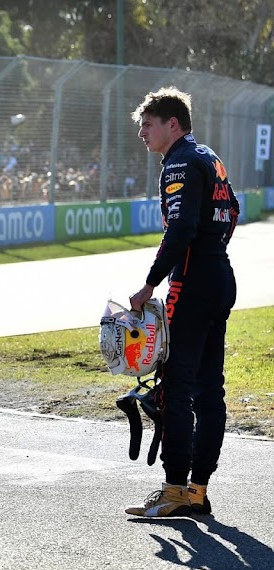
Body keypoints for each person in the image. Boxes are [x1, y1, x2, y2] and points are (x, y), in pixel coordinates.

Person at [124, 87, 238, 518]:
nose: (142, 133)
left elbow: (181, 227)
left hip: (190, 285)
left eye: (148, 124)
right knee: (211, 391)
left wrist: (150, 284)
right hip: (220, 278)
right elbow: (234, 210)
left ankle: (174, 491)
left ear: (173, 124)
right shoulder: (209, 157)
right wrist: (212, 255)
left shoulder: (180, 162)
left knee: (175, 389)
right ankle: (197, 491)